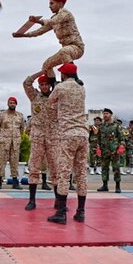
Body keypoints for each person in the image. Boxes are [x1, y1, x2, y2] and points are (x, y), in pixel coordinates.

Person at [47, 62, 89, 224]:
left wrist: (55, 86)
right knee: (81, 174)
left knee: (64, 173)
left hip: (68, 134)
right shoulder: (81, 88)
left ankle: (61, 212)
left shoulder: (61, 87)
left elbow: (51, 101)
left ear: (63, 74)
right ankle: (81, 211)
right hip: (83, 134)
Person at [12, 0, 84, 85]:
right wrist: (23, 35)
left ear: (60, 4)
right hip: (65, 51)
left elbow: (53, 21)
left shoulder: (66, 14)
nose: (49, 6)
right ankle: (54, 86)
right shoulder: (54, 18)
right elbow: (39, 31)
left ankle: (75, 79)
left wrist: (38, 21)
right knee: (46, 66)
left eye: (52, 3)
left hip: (76, 48)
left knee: (64, 51)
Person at [23, 71, 57, 211]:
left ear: (50, 85)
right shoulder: (34, 96)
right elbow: (26, 83)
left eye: (46, 84)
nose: (43, 87)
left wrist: (51, 75)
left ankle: (59, 201)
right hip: (37, 137)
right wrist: (43, 71)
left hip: (52, 137)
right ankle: (32, 200)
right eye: (41, 84)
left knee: (55, 168)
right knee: (34, 168)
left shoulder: (56, 96)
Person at [0, 97, 25, 189]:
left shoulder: (20, 116)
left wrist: (17, 137)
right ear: (8, 104)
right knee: (1, 162)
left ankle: (15, 183)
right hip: (4, 143)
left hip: (15, 143)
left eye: (14, 103)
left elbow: (22, 128)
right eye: (10, 103)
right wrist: (3, 134)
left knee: (14, 162)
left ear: (16, 104)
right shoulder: (2, 115)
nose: (12, 104)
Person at [96, 108, 125, 193]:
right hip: (104, 151)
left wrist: (121, 147)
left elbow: (121, 138)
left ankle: (117, 186)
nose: (105, 115)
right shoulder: (101, 126)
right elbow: (98, 139)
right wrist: (98, 148)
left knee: (116, 168)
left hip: (114, 151)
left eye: (107, 113)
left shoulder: (116, 125)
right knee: (104, 168)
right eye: (104, 113)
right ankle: (105, 186)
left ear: (111, 115)